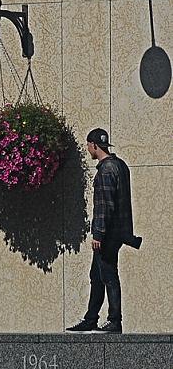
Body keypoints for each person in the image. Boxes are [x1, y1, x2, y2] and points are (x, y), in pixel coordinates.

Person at [66, 128, 142, 333]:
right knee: (96, 275)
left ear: (94, 145)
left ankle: (114, 320)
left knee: (108, 275)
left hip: (107, 234)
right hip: (117, 232)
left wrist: (98, 234)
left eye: (88, 145)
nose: (88, 149)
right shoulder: (120, 166)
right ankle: (91, 318)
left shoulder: (106, 170)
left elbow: (105, 205)